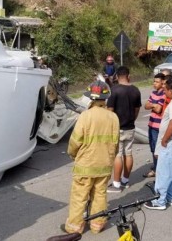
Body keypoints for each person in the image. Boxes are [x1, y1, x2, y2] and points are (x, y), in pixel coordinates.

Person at [63, 80, 119, 234]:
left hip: (85, 165)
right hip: (104, 165)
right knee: (100, 194)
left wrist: (73, 155)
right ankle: (97, 225)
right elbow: (116, 144)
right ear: (105, 98)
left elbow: (75, 141)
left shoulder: (85, 116)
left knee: (79, 196)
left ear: (90, 97)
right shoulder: (113, 117)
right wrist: (110, 158)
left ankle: (74, 227)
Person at [144, 77, 172, 210]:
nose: (164, 92)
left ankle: (159, 201)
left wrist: (164, 139)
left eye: (165, 90)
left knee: (164, 172)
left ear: (171, 91)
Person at [106, 66, 142, 193]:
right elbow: (137, 110)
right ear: (128, 75)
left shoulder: (114, 90)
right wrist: (132, 119)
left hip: (117, 128)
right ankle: (125, 180)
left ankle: (116, 184)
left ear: (116, 77)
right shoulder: (136, 90)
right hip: (130, 127)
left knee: (118, 155)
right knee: (128, 153)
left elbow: (109, 111)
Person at [143, 73, 166, 178]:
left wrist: (152, 105)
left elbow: (159, 109)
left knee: (158, 150)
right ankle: (156, 168)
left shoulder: (164, 94)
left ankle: (159, 170)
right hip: (151, 124)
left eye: (157, 82)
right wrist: (153, 105)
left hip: (158, 126)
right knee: (152, 148)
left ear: (162, 83)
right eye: (154, 81)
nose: (154, 84)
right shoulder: (153, 93)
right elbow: (146, 106)